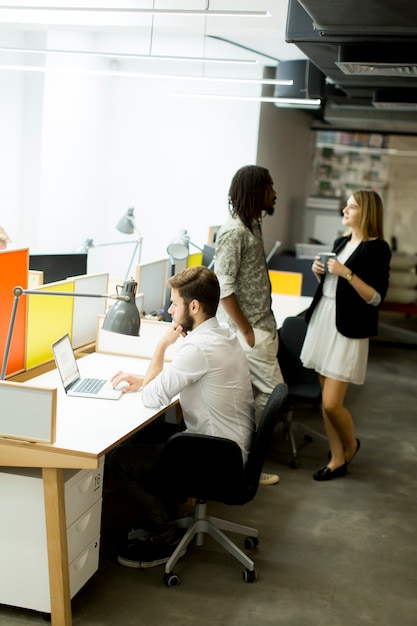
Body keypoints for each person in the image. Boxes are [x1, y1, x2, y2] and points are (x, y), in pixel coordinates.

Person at [108, 265, 255, 568]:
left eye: (174, 303)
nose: (169, 310)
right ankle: (163, 521)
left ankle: (165, 538)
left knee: (119, 460)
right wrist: (144, 378)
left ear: (194, 306)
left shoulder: (198, 348)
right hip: (228, 446)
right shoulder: (221, 334)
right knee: (150, 436)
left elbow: (152, 396)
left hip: (215, 457)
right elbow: (176, 381)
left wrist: (161, 347)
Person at [300, 189, 391, 481]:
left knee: (331, 403)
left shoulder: (378, 249)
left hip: (348, 328)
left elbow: (375, 297)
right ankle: (337, 458)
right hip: (324, 320)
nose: (345, 211)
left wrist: (346, 272)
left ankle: (351, 445)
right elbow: (332, 284)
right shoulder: (340, 242)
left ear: (366, 213)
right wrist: (321, 272)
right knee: (326, 396)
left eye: (351, 207)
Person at [214, 164, 283, 486]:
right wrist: (246, 330)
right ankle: (248, 467)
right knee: (272, 397)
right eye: (269, 187)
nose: (274, 193)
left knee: (252, 397)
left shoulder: (251, 225)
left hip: (261, 326)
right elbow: (224, 286)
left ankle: (243, 464)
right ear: (256, 191)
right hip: (251, 331)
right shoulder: (233, 232)